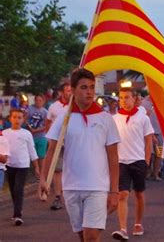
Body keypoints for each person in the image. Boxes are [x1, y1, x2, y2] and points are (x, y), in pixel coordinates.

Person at [39, 68, 120, 242]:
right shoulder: (64, 118)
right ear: (73, 90)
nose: (89, 92)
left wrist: (114, 190)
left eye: (91, 87)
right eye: (83, 87)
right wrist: (43, 179)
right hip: (71, 186)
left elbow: (113, 156)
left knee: (91, 236)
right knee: (83, 236)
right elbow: (51, 149)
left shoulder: (105, 118)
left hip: (98, 187)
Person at [111, 87, 154, 240]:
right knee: (122, 194)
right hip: (121, 162)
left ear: (134, 98)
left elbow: (148, 140)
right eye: (121, 98)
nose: (124, 101)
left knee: (139, 194)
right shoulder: (115, 118)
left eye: (127, 97)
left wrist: (146, 160)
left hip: (138, 160)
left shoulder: (143, 118)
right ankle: (123, 228)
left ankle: (138, 223)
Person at [3, 108, 40, 226]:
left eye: (19, 117)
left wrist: (37, 167)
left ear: (23, 120)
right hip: (9, 165)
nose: (17, 120)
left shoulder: (26, 134)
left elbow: (32, 151)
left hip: (23, 165)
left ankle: (18, 215)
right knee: (13, 189)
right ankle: (16, 210)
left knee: (18, 188)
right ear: (10, 119)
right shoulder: (4, 133)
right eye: (14, 117)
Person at [45, 82, 72, 210]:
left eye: (71, 90)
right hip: (57, 142)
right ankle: (57, 197)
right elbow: (48, 123)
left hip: (72, 141)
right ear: (62, 92)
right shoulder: (53, 107)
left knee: (71, 168)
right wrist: (50, 139)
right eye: (67, 90)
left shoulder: (75, 106)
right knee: (57, 169)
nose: (70, 93)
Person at [27, 94, 48, 172]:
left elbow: (46, 125)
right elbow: (25, 119)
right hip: (31, 137)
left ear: (43, 102)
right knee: (33, 157)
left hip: (42, 136)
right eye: (37, 100)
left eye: (40, 101)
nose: (38, 102)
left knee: (41, 156)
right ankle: (36, 172)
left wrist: (36, 130)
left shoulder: (45, 112)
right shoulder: (30, 109)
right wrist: (30, 127)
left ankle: (41, 174)